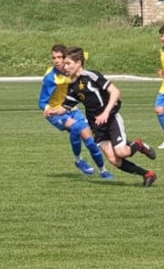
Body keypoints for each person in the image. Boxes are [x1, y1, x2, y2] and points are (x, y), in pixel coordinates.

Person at [48, 46, 157, 187]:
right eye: (65, 64)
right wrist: (52, 111)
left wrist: (106, 112)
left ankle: (139, 144)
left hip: (110, 118)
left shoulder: (91, 76)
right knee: (114, 160)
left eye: (68, 63)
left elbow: (115, 92)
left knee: (121, 152)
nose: (65, 67)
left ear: (78, 63)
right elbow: (65, 108)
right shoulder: (72, 86)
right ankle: (147, 174)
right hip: (96, 126)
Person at [38, 44, 111, 178]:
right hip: (55, 112)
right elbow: (42, 102)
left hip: (71, 108)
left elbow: (82, 55)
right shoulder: (51, 78)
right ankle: (79, 160)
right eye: (54, 58)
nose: (56, 61)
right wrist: (48, 110)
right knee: (77, 127)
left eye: (59, 57)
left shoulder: (72, 68)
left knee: (90, 141)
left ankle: (103, 171)